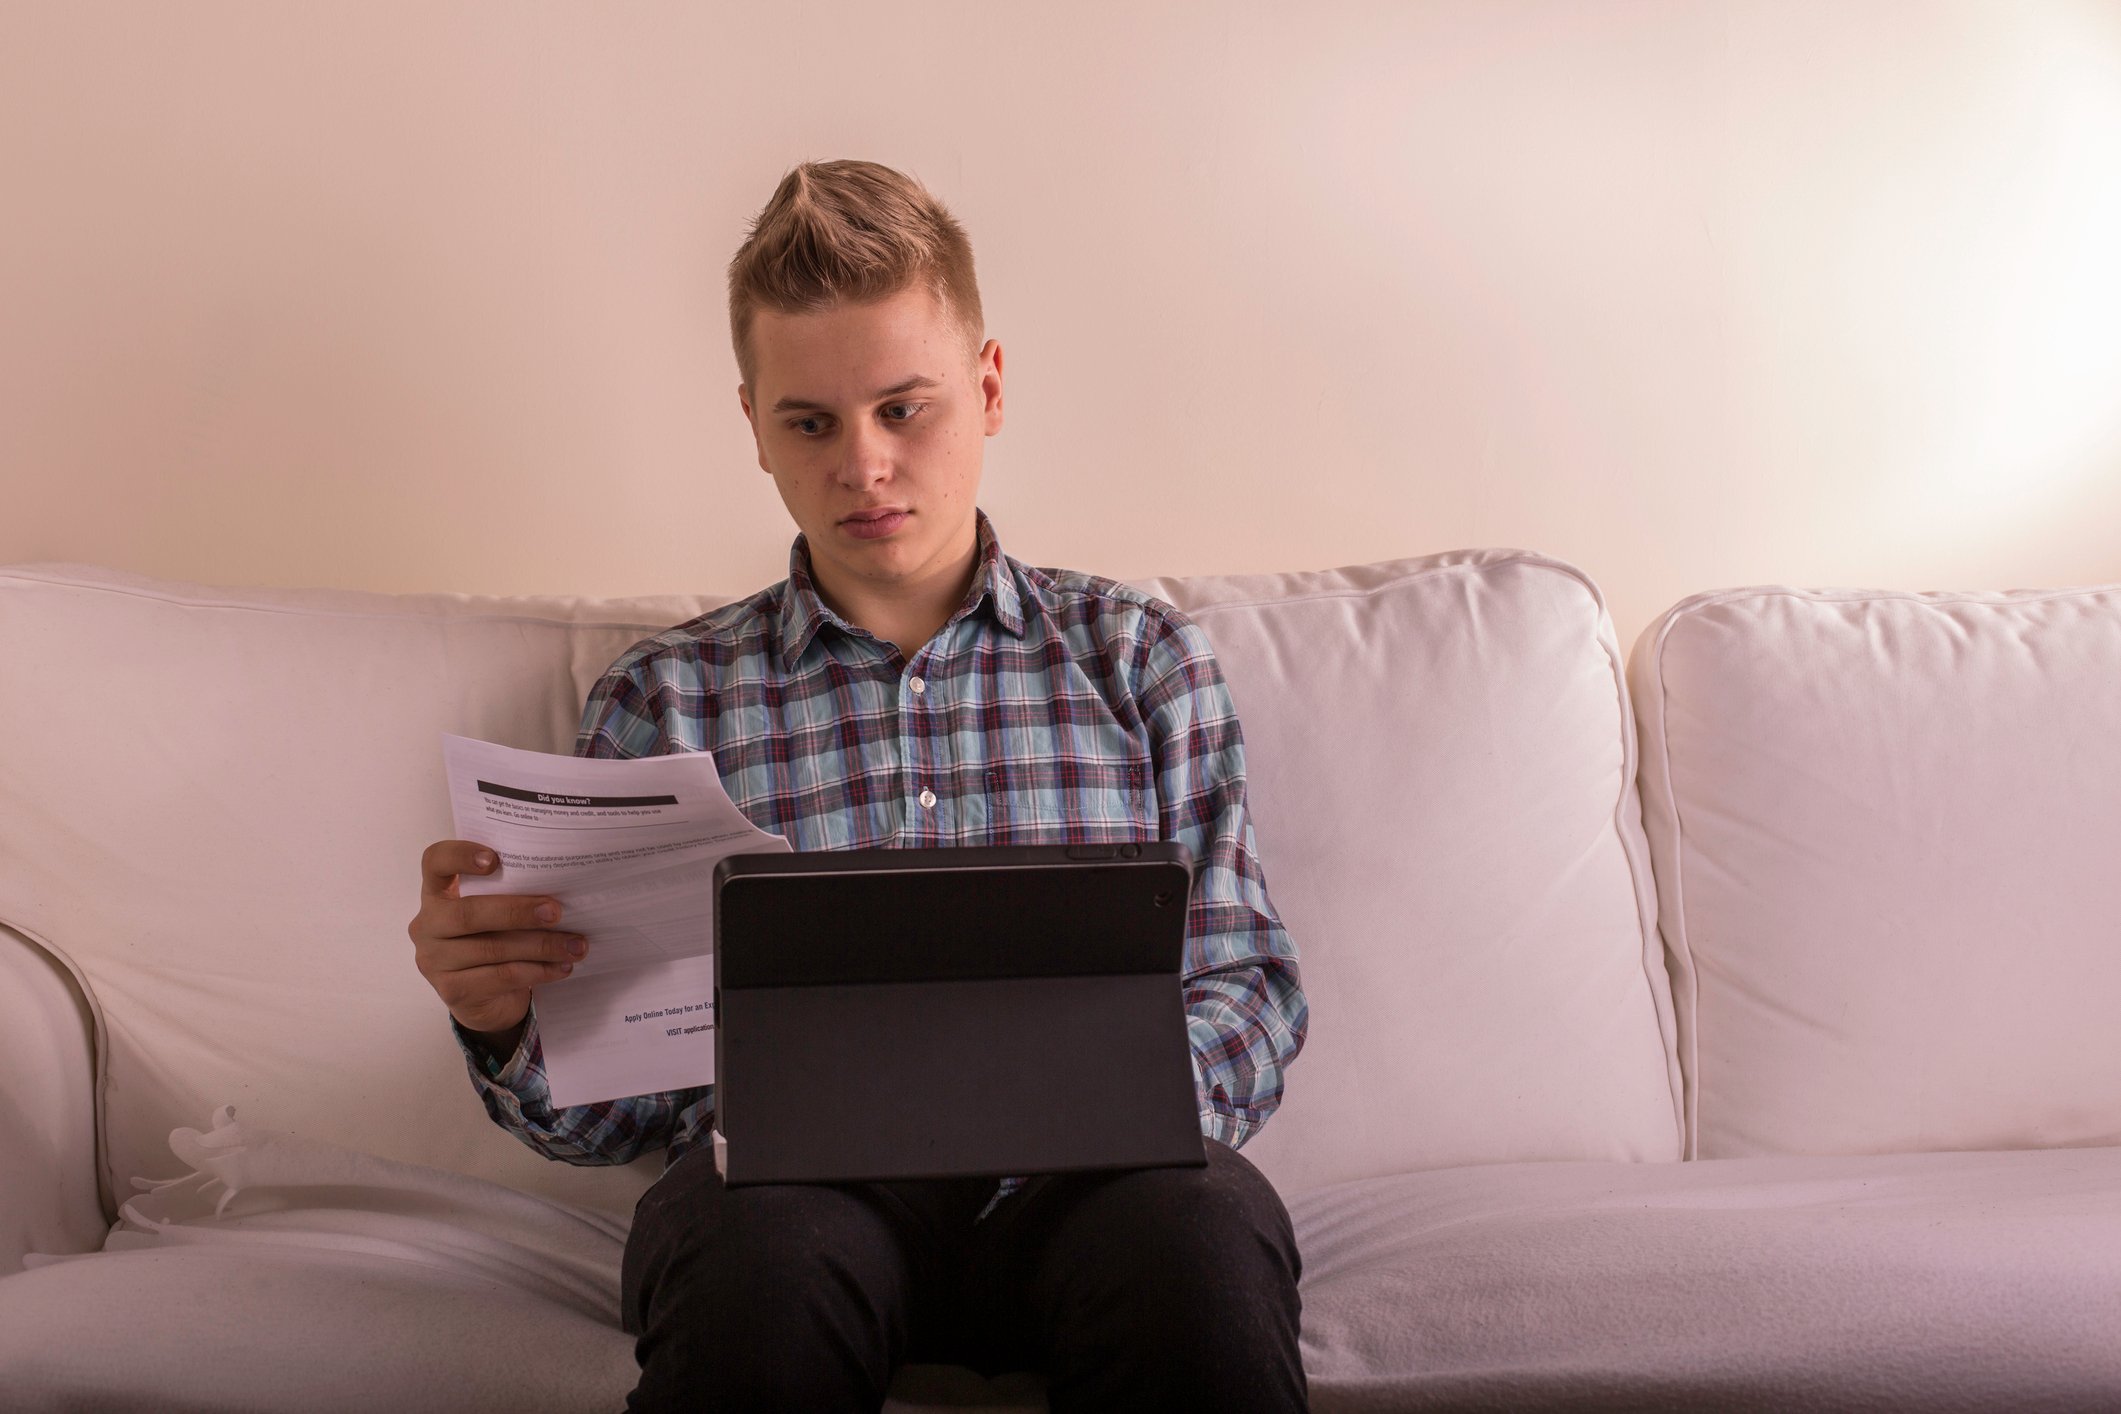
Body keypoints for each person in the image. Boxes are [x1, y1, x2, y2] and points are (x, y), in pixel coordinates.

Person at [406, 158, 1310, 1413]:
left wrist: (1120, 1098)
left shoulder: (1139, 659)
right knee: (751, 1270)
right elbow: (603, 1108)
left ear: (989, 390)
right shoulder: (666, 701)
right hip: (784, 1200)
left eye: (905, 408)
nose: (864, 465)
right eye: (812, 422)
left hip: (1101, 1187)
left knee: (1202, 1247)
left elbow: (1248, 983)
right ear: (754, 427)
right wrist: (507, 1021)